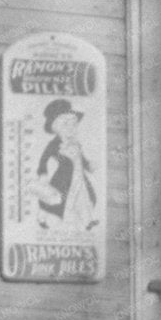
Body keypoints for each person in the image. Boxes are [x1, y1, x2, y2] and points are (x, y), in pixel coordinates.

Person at [36, 97, 98, 233]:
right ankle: (41, 219)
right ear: (56, 127)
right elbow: (43, 160)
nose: (71, 127)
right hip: (63, 178)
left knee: (86, 196)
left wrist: (89, 166)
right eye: (66, 124)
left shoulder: (76, 143)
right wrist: (43, 174)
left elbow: (82, 159)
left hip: (79, 176)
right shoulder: (54, 145)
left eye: (73, 124)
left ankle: (88, 221)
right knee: (54, 201)